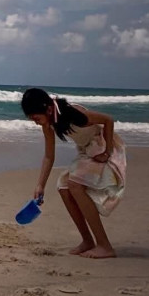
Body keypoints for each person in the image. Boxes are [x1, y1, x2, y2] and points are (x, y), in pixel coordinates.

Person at [21, 87, 126, 259]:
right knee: (63, 187)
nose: (36, 122)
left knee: (74, 184)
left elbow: (108, 120)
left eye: (36, 118)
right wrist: (40, 185)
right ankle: (87, 241)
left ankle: (105, 246)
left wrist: (107, 152)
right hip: (87, 152)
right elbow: (49, 156)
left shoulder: (74, 114)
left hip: (103, 148)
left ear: (47, 108)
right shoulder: (49, 124)